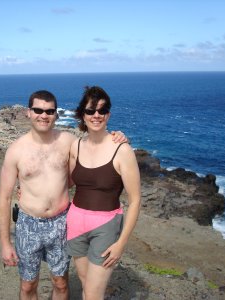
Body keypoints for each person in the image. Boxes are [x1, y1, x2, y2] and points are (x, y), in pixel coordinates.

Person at [0, 90, 127, 300]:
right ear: (28, 113)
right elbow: (3, 198)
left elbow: (94, 144)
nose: (44, 115)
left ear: (56, 114)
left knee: (61, 283)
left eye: (49, 111)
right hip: (28, 224)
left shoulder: (69, 142)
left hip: (61, 222)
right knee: (28, 285)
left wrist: (116, 135)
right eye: (38, 110)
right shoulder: (16, 150)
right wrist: (5, 243)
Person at [67, 86, 141, 299]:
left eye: (102, 110)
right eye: (90, 111)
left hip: (106, 226)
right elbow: (70, 183)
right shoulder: (76, 146)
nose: (96, 115)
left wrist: (121, 244)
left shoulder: (122, 150)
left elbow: (135, 201)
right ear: (83, 114)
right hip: (75, 223)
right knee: (85, 284)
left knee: (92, 293)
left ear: (108, 114)